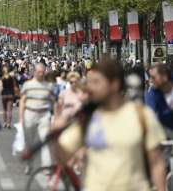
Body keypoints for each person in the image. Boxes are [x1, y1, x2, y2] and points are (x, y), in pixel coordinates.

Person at [53, 59, 166, 191]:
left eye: (96, 82)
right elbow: (63, 157)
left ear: (114, 84)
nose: (90, 88)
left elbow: (157, 163)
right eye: (89, 82)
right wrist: (55, 134)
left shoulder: (141, 115)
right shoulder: (87, 119)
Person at [19, 63, 55, 174]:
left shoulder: (49, 86)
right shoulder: (27, 85)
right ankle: (29, 165)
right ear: (34, 72)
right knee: (29, 142)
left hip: (44, 115)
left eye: (43, 71)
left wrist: (54, 116)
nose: (41, 73)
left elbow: (53, 101)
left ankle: (46, 167)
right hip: (30, 113)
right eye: (39, 72)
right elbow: (22, 101)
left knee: (46, 141)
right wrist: (21, 117)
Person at [145, 63, 173, 130]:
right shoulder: (152, 94)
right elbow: (149, 116)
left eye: (153, 77)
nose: (151, 80)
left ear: (164, 77)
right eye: (150, 77)